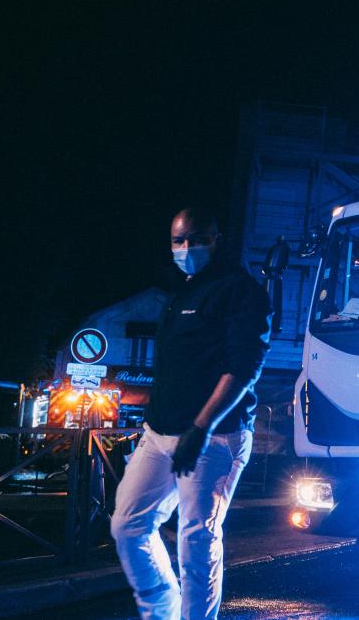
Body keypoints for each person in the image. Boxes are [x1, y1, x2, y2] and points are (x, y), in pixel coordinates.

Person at [110, 207, 272, 620]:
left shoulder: (241, 291)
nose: (185, 248)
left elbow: (243, 368)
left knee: (196, 540)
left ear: (217, 239)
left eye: (195, 239)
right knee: (127, 526)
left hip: (214, 436)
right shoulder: (182, 290)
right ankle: (161, 610)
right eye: (177, 241)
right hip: (159, 433)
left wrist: (201, 427)